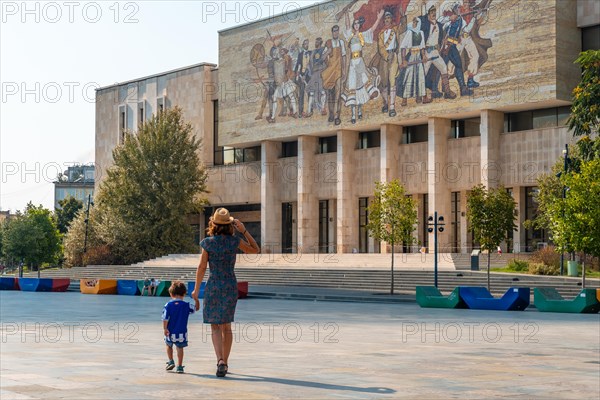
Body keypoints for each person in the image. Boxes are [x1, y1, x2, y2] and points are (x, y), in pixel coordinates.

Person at [191, 208, 260, 378]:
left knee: (215, 326)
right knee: (227, 326)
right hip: (230, 285)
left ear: (213, 224)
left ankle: (219, 360)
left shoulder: (207, 243)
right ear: (230, 225)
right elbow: (255, 249)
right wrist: (243, 230)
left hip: (213, 285)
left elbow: (201, 267)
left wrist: (196, 289)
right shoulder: (234, 241)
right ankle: (226, 362)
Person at [163, 281, 199, 374]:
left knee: (168, 345)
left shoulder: (168, 305)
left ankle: (171, 361)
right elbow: (196, 308)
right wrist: (196, 300)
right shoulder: (186, 305)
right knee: (180, 348)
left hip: (170, 331)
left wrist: (165, 328)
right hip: (182, 332)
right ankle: (179, 366)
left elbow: (165, 318)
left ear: (171, 294)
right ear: (184, 293)